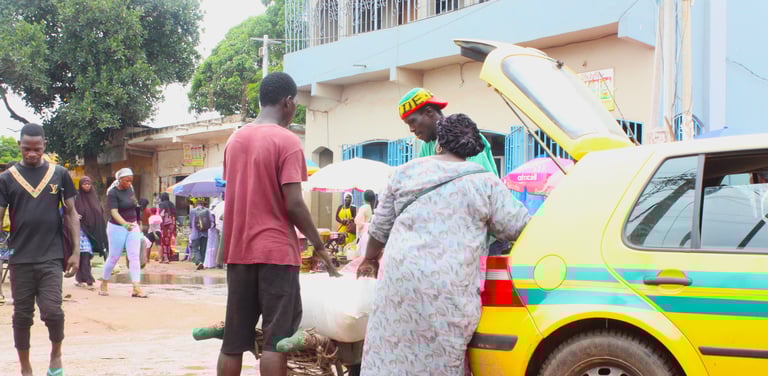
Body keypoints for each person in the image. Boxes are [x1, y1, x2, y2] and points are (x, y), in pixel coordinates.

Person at [357, 114, 530, 374]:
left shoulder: (404, 172)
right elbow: (518, 226)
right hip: (449, 287)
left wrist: (369, 259)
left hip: (400, 281)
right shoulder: (485, 182)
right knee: (441, 357)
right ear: (472, 149)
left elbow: (380, 229)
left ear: (439, 143)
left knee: (391, 351)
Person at [218, 71, 341, 376]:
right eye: (295, 104)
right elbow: (295, 204)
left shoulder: (235, 141)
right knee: (275, 341)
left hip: (239, 252)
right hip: (275, 253)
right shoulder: (287, 141)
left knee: (233, 341)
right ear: (287, 102)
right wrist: (319, 246)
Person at [0, 123, 80, 376]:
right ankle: (25, 368)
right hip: (20, 258)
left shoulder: (59, 174)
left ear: (44, 145)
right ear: (20, 146)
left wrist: (76, 252)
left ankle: (55, 356)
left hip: (51, 256)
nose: (32, 153)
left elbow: (71, 214)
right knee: (22, 317)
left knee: (53, 312)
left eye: (36, 148)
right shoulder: (6, 178)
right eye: (26, 149)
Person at [398, 87, 498, 175]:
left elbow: (478, 180)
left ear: (429, 112)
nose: (411, 129)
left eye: (412, 122)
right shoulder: (426, 145)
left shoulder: (463, 135)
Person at [99, 168, 148, 298]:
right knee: (114, 257)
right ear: (119, 179)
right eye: (126, 180)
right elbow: (114, 212)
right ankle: (104, 282)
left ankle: (136, 287)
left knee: (134, 256)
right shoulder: (112, 193)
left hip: (133, 225)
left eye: (131, 180)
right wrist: (124, 224)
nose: (129, 182)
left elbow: (135, 205)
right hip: (117, 227)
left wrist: (138, 222)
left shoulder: (131, 188)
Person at [74, 176, 108, 290]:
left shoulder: (94, 197)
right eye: (84, 184)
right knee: (84, 254)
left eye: (88, 184)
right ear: (80, 185)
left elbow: (99, 211)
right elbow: (70, 210)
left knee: (87, 255)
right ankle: (88, 279)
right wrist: (75, 215)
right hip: (81, 230)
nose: (87, 186)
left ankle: (80, 278)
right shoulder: (76, 197)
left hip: (93, 231)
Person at [189, 198, 210, 270]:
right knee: (203, 249)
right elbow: (211, 221)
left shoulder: (192, 211)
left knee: (195, 248)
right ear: (203, 204)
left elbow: (191, 223)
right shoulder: (207, 210)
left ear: (196, 204)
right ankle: (202, 262)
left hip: (195, 233)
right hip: (205, 233)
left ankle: (199, 261)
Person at [158, 192, 176, 263]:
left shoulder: (162, 204)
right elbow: (175, 215)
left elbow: (161, 214)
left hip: (165, 224)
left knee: (164, 241)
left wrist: (161, 225)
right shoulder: (172, 204)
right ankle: (168, 256)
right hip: (172, 224)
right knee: (168, 241)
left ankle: (165, 258)